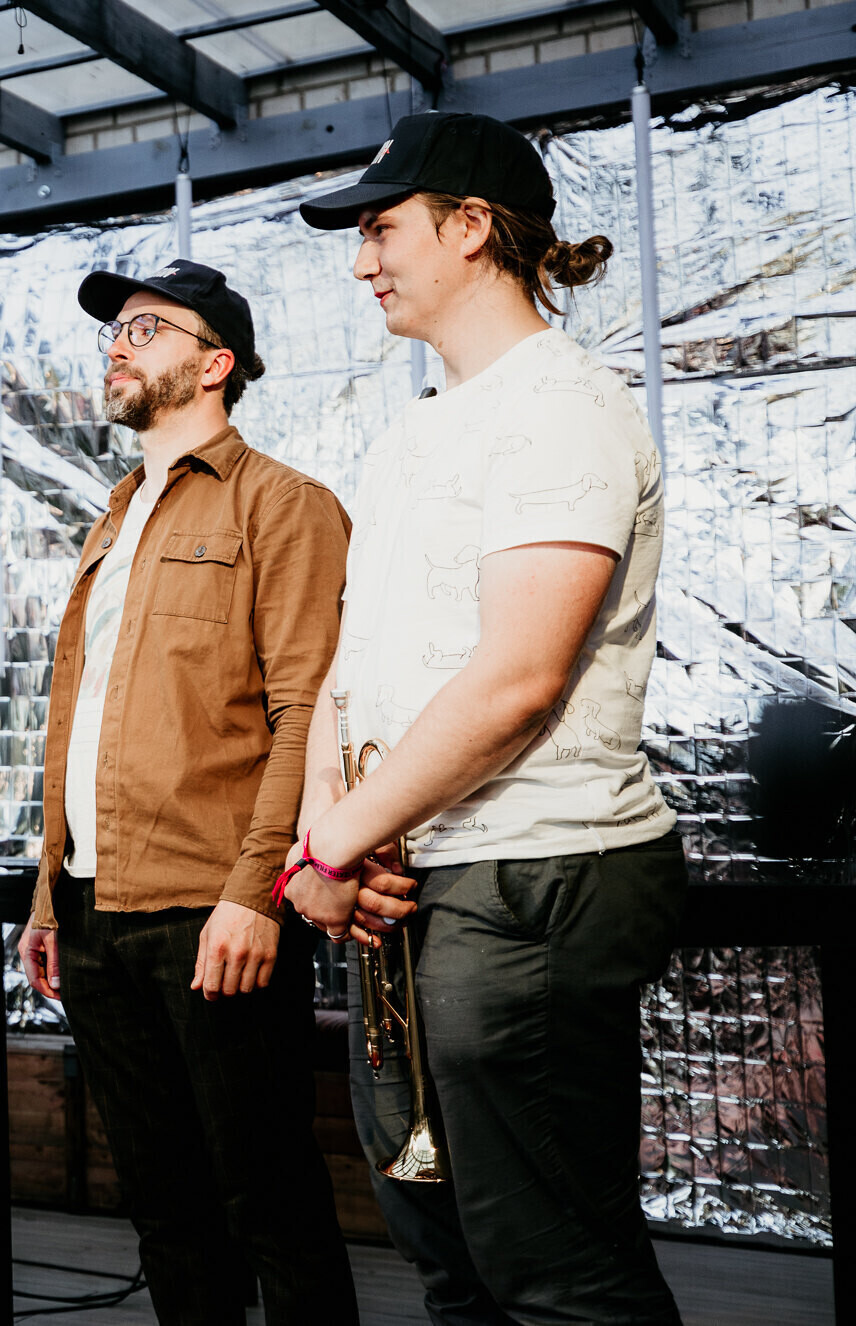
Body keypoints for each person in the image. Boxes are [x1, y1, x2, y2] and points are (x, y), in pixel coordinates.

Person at [284, 111, 683, 1325]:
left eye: (380, 229)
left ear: (469, 227)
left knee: (556, 1279)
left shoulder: (559, 405)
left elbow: (516, 681)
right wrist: (329, 832)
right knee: (446, 1260)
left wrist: (331, 848)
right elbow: (349, 667)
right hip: (406, 880)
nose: (361, 262)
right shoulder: (415, 427)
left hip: (528, 872)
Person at [15, 262, 359, 1324]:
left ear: (215, 365)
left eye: (146, 329)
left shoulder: (285, 506)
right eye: (114, 331)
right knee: (164, 1209)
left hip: (212, 909)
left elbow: (306, 714)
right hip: (92, 912)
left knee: (270, 1198)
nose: (118, 345)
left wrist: (256, 894)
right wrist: (47, 898)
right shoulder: (112, 518)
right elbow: (76, 718)